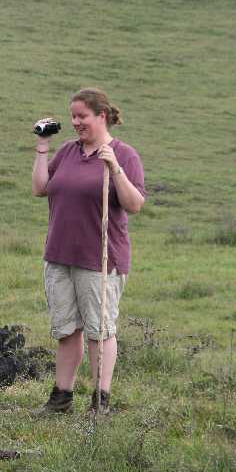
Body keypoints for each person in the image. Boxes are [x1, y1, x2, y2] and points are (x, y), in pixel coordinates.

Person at [32, 88, 145, 415]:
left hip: (100, 258)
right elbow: (40, 188)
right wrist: (42, 147)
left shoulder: (124, 154)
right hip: (59, 255)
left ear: (101, 116)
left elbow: (135, 204)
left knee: (99, 331)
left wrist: (115, 168)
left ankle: (100, 400)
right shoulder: (68, 151)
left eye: (82, 116)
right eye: (73, 116)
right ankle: (61, 398)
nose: (76, 122)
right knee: (66, 330)